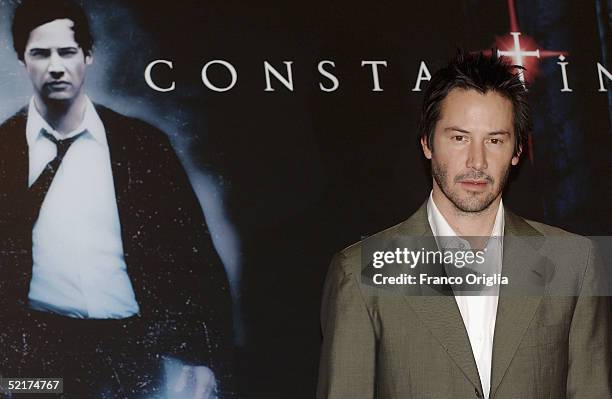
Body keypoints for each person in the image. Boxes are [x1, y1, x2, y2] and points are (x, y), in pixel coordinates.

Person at [317, 51, 611, 398]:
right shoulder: (362, 272)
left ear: (517, 151)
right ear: (427, 142)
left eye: (495, 140)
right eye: (459, 137)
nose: (477, 160)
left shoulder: (573, 262)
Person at [0, 0, 233, 397]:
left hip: (136, 352)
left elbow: (194, 256)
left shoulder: (142, 145)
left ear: (87, 56)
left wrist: (203, 359)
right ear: (22, 59)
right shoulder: (3, 148)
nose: (55, 66)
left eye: (67, 51)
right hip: (39, 358)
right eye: (40, 53)